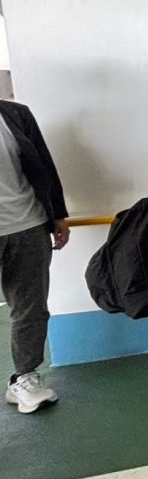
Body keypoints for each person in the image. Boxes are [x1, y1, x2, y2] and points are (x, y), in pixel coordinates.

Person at [0, 100, 69, 413]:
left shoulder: (16, 114)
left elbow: (43, 164)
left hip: (28, 224)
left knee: (31, 307)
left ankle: (25, 377)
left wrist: (57, 215)